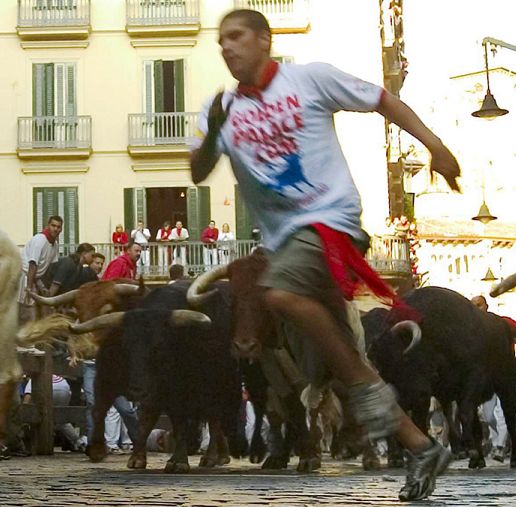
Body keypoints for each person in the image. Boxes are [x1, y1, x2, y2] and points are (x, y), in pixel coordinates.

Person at [189, 9, 460, 501]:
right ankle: (419, 445)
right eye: (221, 41)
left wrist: (435, 146)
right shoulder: (222, 108)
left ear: (264, 41)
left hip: (330, 223)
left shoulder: (308, 79)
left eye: (236, 37)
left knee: (278, 292)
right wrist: (212, 130)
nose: (227, 47)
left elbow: (381, 100)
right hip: (286, 243)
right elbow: (197, 171)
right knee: (345, 356)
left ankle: (374, 403)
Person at [18, 216, 63, 323]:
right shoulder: (39, 240)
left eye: (58, 227)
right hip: (25, 276)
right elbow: (32, 264)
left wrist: (42, 286)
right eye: (53, 225)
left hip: (35, 279)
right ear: (47, 225)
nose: (55, 229)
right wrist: (29, 288)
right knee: (28, 311)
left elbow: (48, 268)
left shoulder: (55, 245)